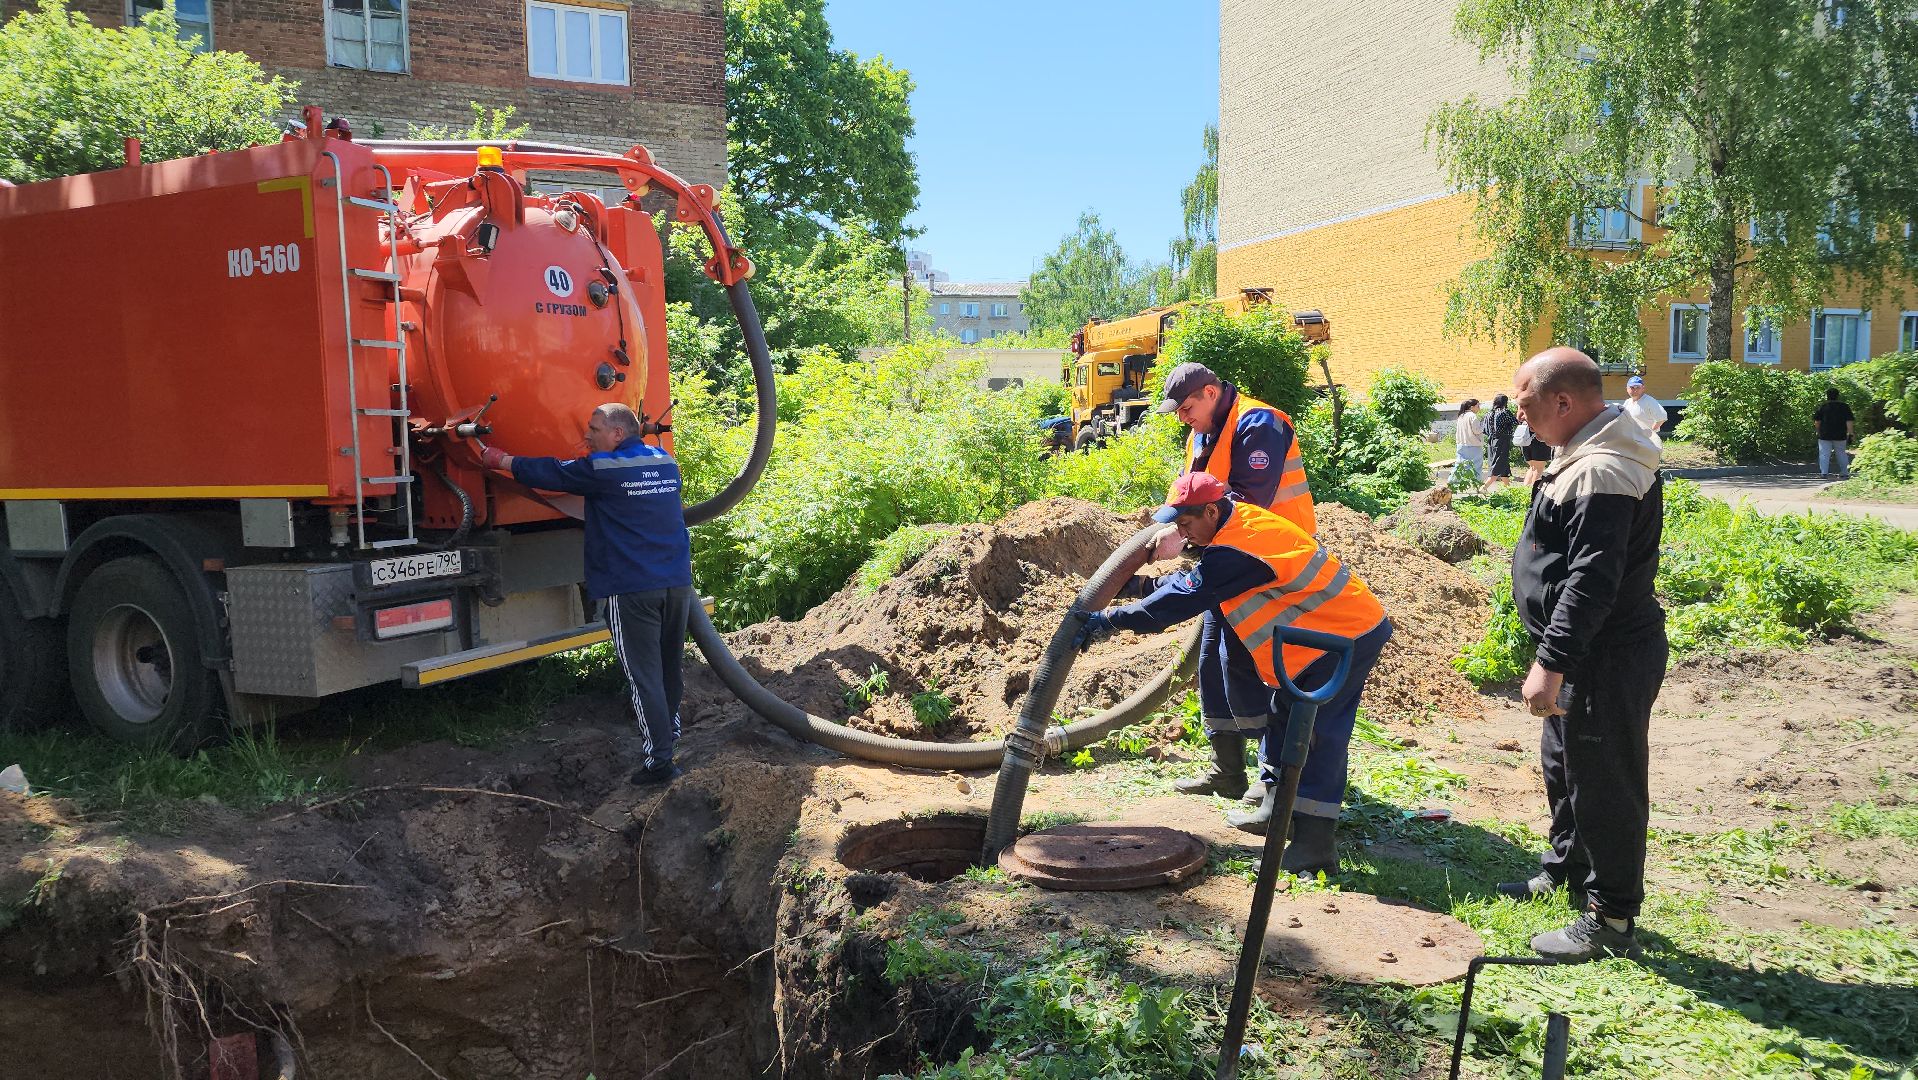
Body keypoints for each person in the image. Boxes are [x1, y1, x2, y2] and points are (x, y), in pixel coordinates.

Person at [1076, 472, 1393, 871]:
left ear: (1211, 510)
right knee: (1284, 720)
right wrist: (1136, 587)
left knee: (1316, 736)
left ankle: (1315, 845)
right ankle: (1275, 813)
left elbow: (1181, 600)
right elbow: (1196, 581)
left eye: (1186, 523)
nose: (1182, 533)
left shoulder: (1240, 548)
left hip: (1345, 635)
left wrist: (1109, 621)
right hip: (1315, 638)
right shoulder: (1233, 527)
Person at [1499, 347, 1667, 963]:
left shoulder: (1604, 469)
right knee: (1565, 768)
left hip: (1605, 655)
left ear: (1563, 402)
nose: (1522, 422)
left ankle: (1612, 916)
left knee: (1605, 782)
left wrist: (1552, 660)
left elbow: (1593, 580)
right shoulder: (1584, 451)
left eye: (1527, 407)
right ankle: (1565, 868)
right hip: (1584, 652)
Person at [480, 403, 695, 786]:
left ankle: (660, 763)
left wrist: (502, 458)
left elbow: (551, 472)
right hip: (676, 582)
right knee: (667, 668)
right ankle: (670, 735)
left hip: (631, 588)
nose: (587, 436)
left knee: (643, 675)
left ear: (617, 433)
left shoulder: (604, 471)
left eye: (594, 429)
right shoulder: (665, 461)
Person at [1153, 362, 1317, 803]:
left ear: (1210, 392)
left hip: (1272, 567)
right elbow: (1198, 493)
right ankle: (1226, 772)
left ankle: (1272, 780)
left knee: (1256, 668)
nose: (1183, 418)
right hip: (1227, 561)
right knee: (1212, 661)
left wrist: (1180, 532)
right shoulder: (1202, 430)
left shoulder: (1258, 423)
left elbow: (1246, 503)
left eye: (1188, 408)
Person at [1813, 388, 1855, 480]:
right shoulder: (1844, 407)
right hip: (1840, 434)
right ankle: (1845, 473)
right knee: (1841, 453)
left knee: (1824, 454)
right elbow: (1849, 421)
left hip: (1824, 434)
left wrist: (1818, 431)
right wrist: (1850, 433)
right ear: (1838, 395)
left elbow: (1817, 421)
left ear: (1827, 396)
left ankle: (1824, 473)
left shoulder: (1823, 407)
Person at [1621, 376, 1667, 442]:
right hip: (1631, 439)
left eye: (1638, 387)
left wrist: (1650, 433)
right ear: (1627, 389)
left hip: (1646, 441)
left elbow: (1662, 417)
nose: (1635, 390)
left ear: (1643, 388)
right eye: (1632, 387)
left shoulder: (1649, 401)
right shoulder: (1628, 402)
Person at [1486, 393, 1518, 484]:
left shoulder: (1489, 413)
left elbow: (1484, 429)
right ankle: (1484, 487)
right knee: (1499, 462)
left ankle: (1507, 488)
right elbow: (1515, 422)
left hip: (1491, 440)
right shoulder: (1504, 412)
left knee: (1503, 464)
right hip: (1502, 440)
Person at [1452, 399, 1485, 485]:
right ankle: (1478, 484)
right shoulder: (1472, 416)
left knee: (1460, 464)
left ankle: (1452, 482)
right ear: (1472, 407)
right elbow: (1477, 430)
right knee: (1477, 466)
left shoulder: (1461, 416)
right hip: (1473, 445)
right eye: (1478, 406)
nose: (1479, 408)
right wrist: (1483, 424)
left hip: (1461, 444)